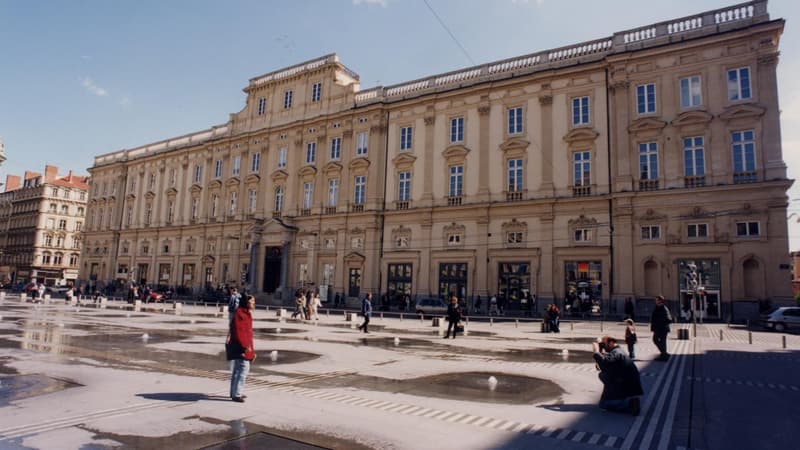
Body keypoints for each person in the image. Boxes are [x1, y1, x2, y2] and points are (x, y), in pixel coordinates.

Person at [592, 336, 643, 415]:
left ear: (611, 343)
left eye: (604, 344)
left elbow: (605, 362)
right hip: (626, 382)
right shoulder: (618, 351)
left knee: (603, 404)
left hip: (626, 384)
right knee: (603, 375)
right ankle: (619, 399)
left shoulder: (617, 352)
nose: (603, 347)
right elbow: (606, 366)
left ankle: (629, 403)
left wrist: (596, 352)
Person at [228, 295, 256, 403]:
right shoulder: (241, 314)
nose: (253, 303)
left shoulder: (245, 313)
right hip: (242, 347)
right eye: (252, 301)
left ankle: (234, 392)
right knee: (243, 370)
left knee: (237, 370)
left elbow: (247, 333)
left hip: (244, 345)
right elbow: (240, 332)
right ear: (246, 302)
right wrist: (245, 347)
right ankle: (237, 394)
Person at [650, 295, 673, 361]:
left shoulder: (664, 308)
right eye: (656, 300)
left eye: (657, 300)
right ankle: (664, 354)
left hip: (662, 329)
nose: (656, 301)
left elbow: (669, 319)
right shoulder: (657, 307)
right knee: (656, 340)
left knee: (661, 341)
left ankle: (664, 355)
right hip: (657, 328)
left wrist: (661, 323)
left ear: (660, 301)